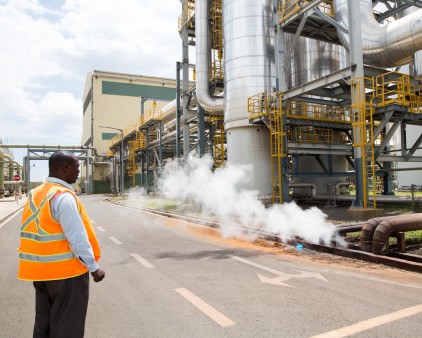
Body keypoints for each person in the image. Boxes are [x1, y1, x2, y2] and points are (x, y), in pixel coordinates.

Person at [18, 150, 105, 337]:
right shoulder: (63, 196)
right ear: (65, 168)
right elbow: (77, 237)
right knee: (68, 328)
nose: (79, 172)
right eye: (76, 167)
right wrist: (93, 267)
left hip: (41, 273)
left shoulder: (36, 194)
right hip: (67, 274)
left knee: (44, 326)